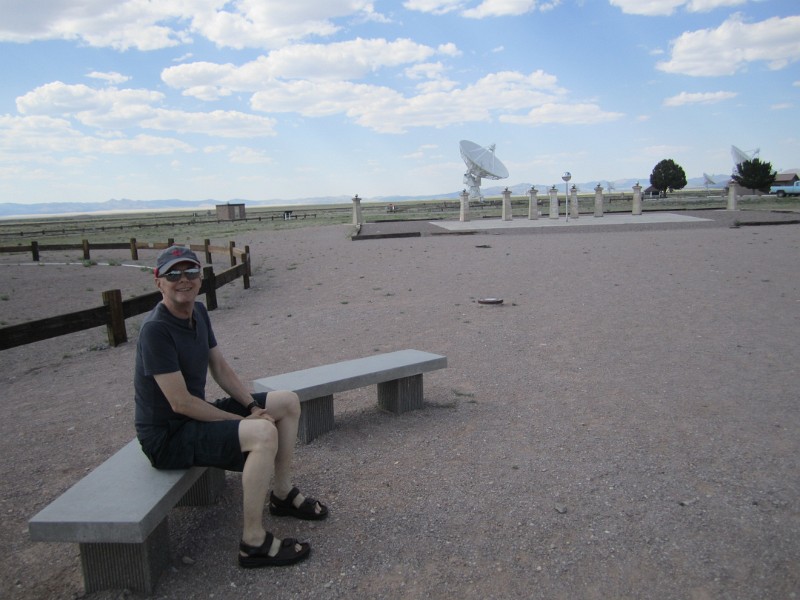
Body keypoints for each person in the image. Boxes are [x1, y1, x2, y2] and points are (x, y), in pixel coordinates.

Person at [134, 245, 328, 568]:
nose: (184, 280)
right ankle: (252, 541)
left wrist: (252, 406)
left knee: (287, 401)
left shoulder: (198, 312)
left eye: (191, 272)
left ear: (199, 277)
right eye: (173, 274)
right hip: (167, 436)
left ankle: (280, 494)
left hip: (192, 417)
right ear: (158, 282)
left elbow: (220, 368)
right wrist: (241, 422)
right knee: (263, 433)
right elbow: (180, 403)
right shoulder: (156, 330)